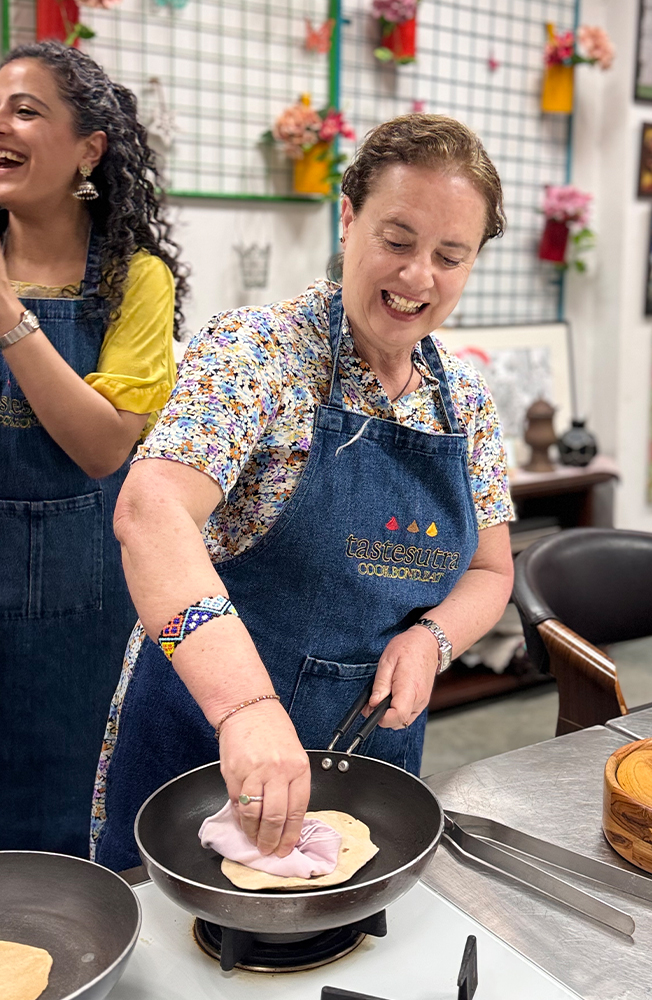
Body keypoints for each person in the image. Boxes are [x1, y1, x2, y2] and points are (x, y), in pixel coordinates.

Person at [93, 114, 514, 874]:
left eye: (450, 256)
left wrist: (433, 639)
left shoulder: (464, 402)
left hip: (369, 753)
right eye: (397, 240)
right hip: (203, 738)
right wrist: (246, 708)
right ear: (348, 218)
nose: (418, 277)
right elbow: (151, 512)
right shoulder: (258, 353)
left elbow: (490, 569)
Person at [0, 41, 187, 857]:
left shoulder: (133, 280)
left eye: (24, 110)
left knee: (64, 821)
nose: (1, 126)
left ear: (89, 149)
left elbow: (104, 445)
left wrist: (7, 313)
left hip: (79, 604)